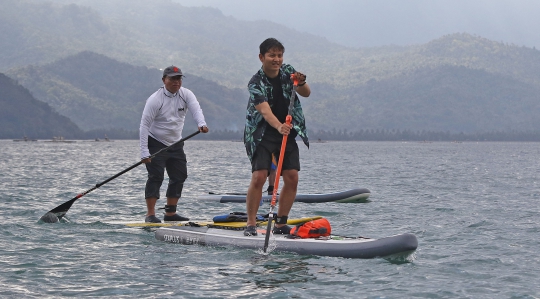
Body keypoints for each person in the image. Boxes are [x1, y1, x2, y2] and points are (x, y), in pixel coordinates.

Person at [243, 38, 311, 236]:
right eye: (272, 55)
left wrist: (302, 81)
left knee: (292, 177)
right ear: (261, 57)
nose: (277, 59)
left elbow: (305, 93)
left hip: (287, 131)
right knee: (259, 177)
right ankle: (251, 223)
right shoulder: (255, 82)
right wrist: (279, 126)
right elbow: (264, 111)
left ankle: (280, 224)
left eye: (279, 55)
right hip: (261, 133)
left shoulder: (288, 71)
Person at [139, 65, 209, 223]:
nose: (176, 82)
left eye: (179, 79)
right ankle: (150, 215)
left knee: (179, 176)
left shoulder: (186, 94)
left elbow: (196, 109)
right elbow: (144, 125)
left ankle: (170, 213)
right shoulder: (155, 100)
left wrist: (201, 123)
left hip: (176, 143)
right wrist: (144, 151)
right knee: (156, 176)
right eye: (172, 79)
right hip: (155, 142)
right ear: (164, 80)